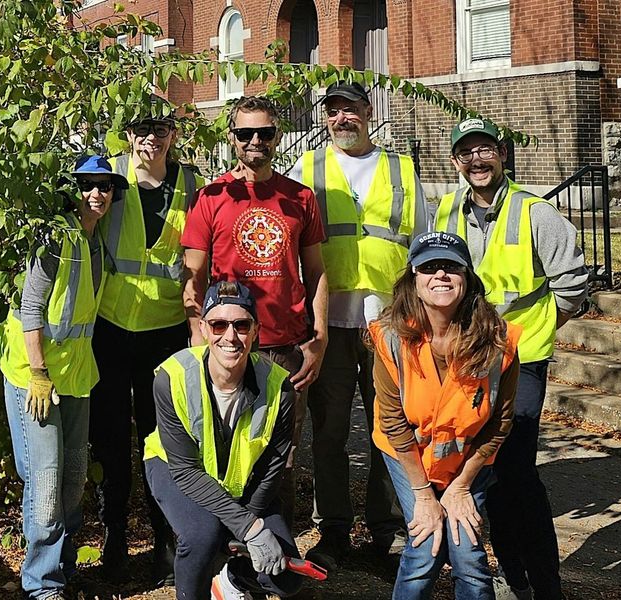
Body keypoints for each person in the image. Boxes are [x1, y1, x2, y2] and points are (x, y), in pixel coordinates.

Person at [435, 118, 589, 600]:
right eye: (466, 153)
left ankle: (545, 584)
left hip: (521, 360)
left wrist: (536, 328)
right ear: (456, 162)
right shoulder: (446, 210)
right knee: (485, 467)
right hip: (464, 359)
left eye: (485, 150)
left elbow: (573, 286)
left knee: (517, 469)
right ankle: (513, 576)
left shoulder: (535, 213)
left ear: (502, 154)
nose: (476, 161)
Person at [286, 81, 425, 567]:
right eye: (334, 112)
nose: (342, 119)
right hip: (330, 322)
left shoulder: (401, 167)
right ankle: (335, 529)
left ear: (369, 112)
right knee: (329, 431)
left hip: (390, 321)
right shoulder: (306, 168)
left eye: (351, 110)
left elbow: (421, 243)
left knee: (390, 428)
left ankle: (385, 528)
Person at [183, 95, 328, 529]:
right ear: (232, 138)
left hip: (285, 345)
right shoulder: (211, 197)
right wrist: (197, 333)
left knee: (280, 455)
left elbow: (318, 272)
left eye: (264, 132)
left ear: (276, 137)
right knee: (222, 449)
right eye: (245, 133)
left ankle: (275, 545)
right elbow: (192, 275)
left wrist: (319, 337)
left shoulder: (299, 197)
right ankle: (225, 544)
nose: (255, 141)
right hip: (228, 343)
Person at [368, 231, 523, 600]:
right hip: (409, 458)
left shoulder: (498, 342)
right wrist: (423, 495)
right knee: (424, 547)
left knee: (467, 553)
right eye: (429, 267)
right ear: (414, 280)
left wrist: (461, 486)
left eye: (451, 267)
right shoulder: (390, 337)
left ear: (467, 277)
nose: (440, 275)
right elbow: (393, 422)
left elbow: (500, 424)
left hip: (467, 462)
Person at [89, 105, 207, 584]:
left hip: (167, 331)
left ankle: (165, 537)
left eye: (159, 130)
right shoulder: (109, 177)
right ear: (128, 135)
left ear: (172, 135)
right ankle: (114, 535)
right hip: (111, 327)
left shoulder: (191, 184)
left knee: (161, 440)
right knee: (111, 437)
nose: (150, 139)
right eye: (141, 130)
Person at [0, 155, 121, 600]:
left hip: (75, 376)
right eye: (88, 185)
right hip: (37, 375)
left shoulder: (95, 241)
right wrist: (38, 372)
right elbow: (31, 310)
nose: (97, 194)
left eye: (105, 186)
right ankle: (42, 583)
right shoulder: (56, 238)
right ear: (75, 188)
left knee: (72, 477)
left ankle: (63, 569)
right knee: (46, 478)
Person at [143, 281, 304, 600]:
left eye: (241, 325)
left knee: (286, 579)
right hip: (177, 472)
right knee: (202, 535)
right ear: (203, 328)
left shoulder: (280, 389)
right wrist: (250, 528)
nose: (230, 336)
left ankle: (233, 579)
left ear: (256, 330)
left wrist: (246, 521)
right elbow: (187, 472)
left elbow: (273, 466)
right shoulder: (171, 378)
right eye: (218, 324)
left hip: (247, 484)